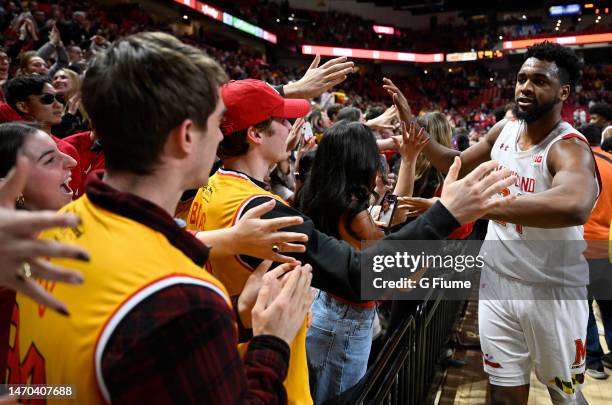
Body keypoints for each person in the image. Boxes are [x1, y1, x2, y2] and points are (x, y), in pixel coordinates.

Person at [7, 32, 314, 404]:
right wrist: (272, 342)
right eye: (217, 124)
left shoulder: (48, 232)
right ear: (186, 135)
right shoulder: (184, 297)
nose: (221, 138)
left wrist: (237, 317)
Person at [181, 78, 516, 404]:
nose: (291, 127)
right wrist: (446, 213)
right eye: (283, 120)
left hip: (233, 358)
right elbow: (361, 274)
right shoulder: (260, 209)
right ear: (255, 134)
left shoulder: (212, 188)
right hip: (260, 367)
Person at [412, 42, 599, 405]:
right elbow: (458, 163)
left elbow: (574, 205)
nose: (525, 87)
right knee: (503, 392)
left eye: (539, 81)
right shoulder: (504, 130)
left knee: (564, 395)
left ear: (563, 92)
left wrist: (482, 208)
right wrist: (419, 140)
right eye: (521, 78)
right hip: (498, 280)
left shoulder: (568, 147)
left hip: (552, 290)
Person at [298, 120, 428, 403]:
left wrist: (408, 159)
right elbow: (389, 257)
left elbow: (391, 215)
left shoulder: (323, 196)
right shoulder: (354, 213)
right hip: (345, 320)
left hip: (329, 308)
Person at [3, 74, 83, 192]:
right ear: (23, 106)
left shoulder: (68, 149)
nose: (58, 105)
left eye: (59, 98)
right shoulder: (8, 148)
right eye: (47, 99)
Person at [581, 123, 612, 379]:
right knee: (610, 305)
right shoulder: (611, 162)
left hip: (583, 246)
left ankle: (593, 361)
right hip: (610, 247)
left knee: (584, 307)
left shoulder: (579, 165)